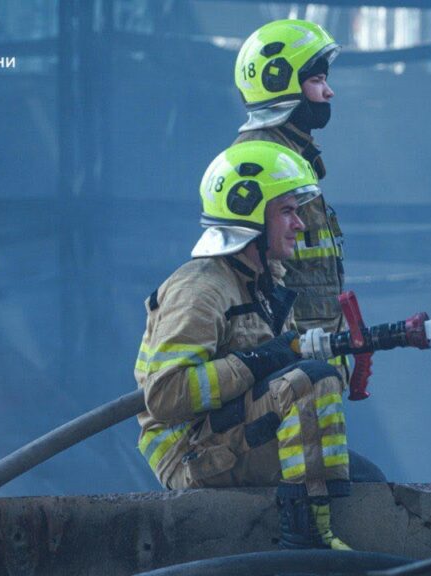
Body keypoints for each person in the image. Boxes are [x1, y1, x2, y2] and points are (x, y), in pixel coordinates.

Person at [135, 141, 351, 550]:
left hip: (233, 440)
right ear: (249, 213)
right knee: (311, 381)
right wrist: (259, 359)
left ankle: (318, 528)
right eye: (286, 211)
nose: (300, 224)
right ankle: (305, 543)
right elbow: (165, 395)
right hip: (192, 454)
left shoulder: (265, 283)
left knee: (368, 482)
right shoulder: (201, 288)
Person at [233, 20, 387, 484]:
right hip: (288, 377)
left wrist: (334, 344)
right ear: (280, 82)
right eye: (317, 80)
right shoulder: (261, 165)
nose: (328, 92)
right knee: (355, 489)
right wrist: (294, 351)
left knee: (343, 487)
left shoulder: (291, 159)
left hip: (308, 368)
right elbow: (254, 278)